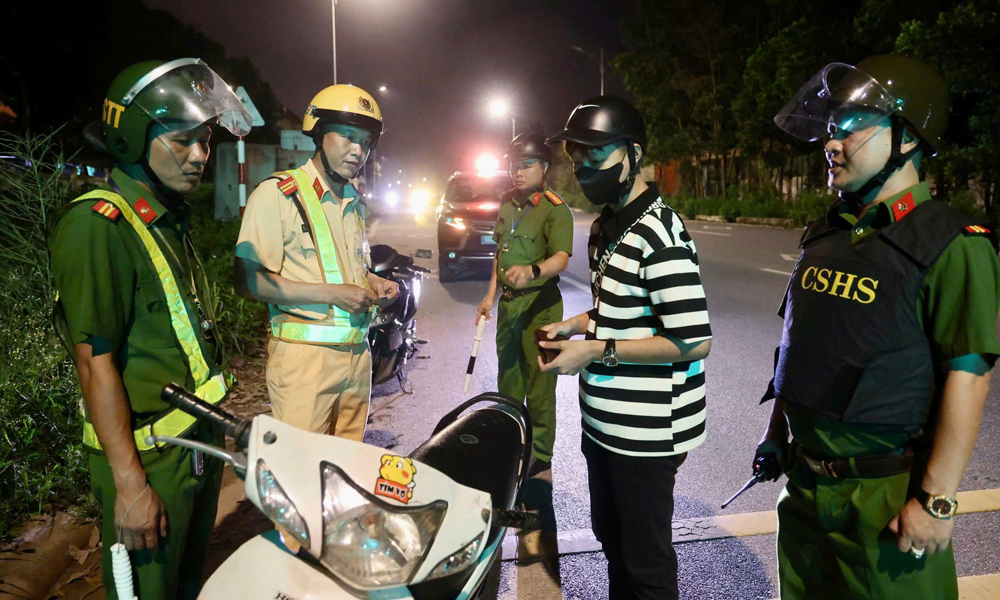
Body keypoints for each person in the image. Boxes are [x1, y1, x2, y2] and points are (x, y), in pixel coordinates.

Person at [755, 54, 1000, 599]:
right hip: (804, 491)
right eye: (830, 128)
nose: (831, 142)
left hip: (884, 501)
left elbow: (969, 374)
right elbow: (800, 346)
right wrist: (776, 435)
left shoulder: (954, 245)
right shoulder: (825, 233)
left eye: (851, 127)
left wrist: (936, 501)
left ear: (907, 139)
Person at [49, 59, 251, 599]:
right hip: (149, 456)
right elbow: (94, 362)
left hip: (191, 443)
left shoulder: (162, 215)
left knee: (187, 586)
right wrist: (130, 484)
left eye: (205, 141)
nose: (200, 155)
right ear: (132, 139)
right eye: (183, 141)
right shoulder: (97, 225)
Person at [539, 96, 712, 599]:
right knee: (612, 540)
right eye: (576, 158)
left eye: (596, 155)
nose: (583, 168)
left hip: (647, 431)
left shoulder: (659, 233)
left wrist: (596, 351)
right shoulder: (605, 226)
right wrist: (575, 325)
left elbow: (692, 339)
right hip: (602, 424)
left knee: (645, 562)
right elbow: (617, 309)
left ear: (633, 154)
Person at [234, 85, 397, 440]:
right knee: (304, 468)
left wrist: (372, 281)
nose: (358, 151)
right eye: (348, 136)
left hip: (357, 356)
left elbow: (349, 266)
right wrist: (333, 294)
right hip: (305, 363)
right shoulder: (278, 194)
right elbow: (248, 281)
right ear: (319, 133)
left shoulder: (353, 201)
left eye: (366, 142)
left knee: (345, 467)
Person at [476, 132, 574, 473]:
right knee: (509, 377)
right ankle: (510, 440)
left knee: (540, 382)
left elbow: (561, 258)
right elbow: (499, 253)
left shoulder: (555, 209)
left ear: (544, 167)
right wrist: (489, 296)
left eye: (526, 165)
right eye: (514, 166)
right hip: (508, 306)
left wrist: (533, 271)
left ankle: (540, 454)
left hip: (540, 307)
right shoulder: (507, 203)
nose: (517, 172)